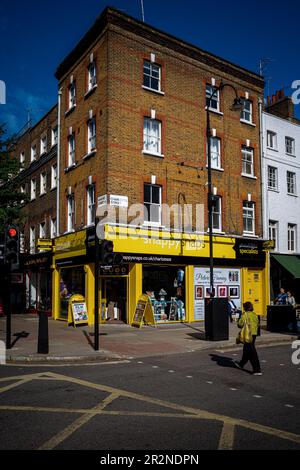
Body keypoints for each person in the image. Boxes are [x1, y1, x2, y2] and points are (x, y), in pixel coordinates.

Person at [234, 301, 262, 376]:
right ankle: (241, 364)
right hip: (254, 334)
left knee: (252, 352)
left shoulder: (245, 315)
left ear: (245, 308)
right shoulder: (255, 315)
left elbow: (240, 324)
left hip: (247, 334)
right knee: (247, 350)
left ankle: (257, 369)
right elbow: (258, 324)